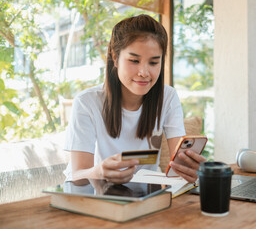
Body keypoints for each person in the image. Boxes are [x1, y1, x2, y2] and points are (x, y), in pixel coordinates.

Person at [64, 14, 206, 184]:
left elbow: (178, 163)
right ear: (115, 58)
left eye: (153, 63)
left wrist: (190, 169)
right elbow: (77, 176)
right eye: (134, 60)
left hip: (146, 197)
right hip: (97, 196)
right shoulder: (87, 103)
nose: (144, 72)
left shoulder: (167, 97)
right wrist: (99, 171)